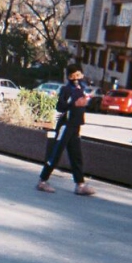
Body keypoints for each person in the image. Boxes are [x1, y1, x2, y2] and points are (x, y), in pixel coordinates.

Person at [37, 63, 97, 196]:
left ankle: (80, 184)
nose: (76, 78)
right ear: (69, 77)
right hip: (66, 125)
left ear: (82, 74)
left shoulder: (82, 88)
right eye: (72, 75)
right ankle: (42, 180)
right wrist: (73, 104)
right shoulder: (66, 89)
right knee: (56, 153)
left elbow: (82, 104)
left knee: (76, 155)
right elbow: (60, 106)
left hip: (76, 126)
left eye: (78, 75)